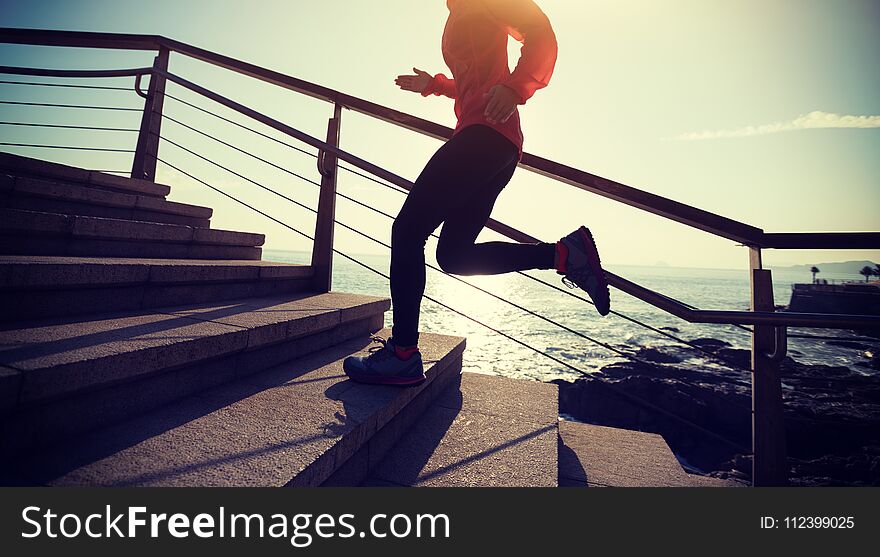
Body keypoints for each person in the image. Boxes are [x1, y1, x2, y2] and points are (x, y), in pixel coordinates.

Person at [343, 0, 609, 385]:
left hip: (485, 135)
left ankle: (403, 354)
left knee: (407, 232)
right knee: (454, 255)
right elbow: (476, 79)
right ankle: (564, 254)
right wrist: (436, 86)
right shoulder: (457, 13)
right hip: (493, 143)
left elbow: (541, 33)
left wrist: (517, 86)